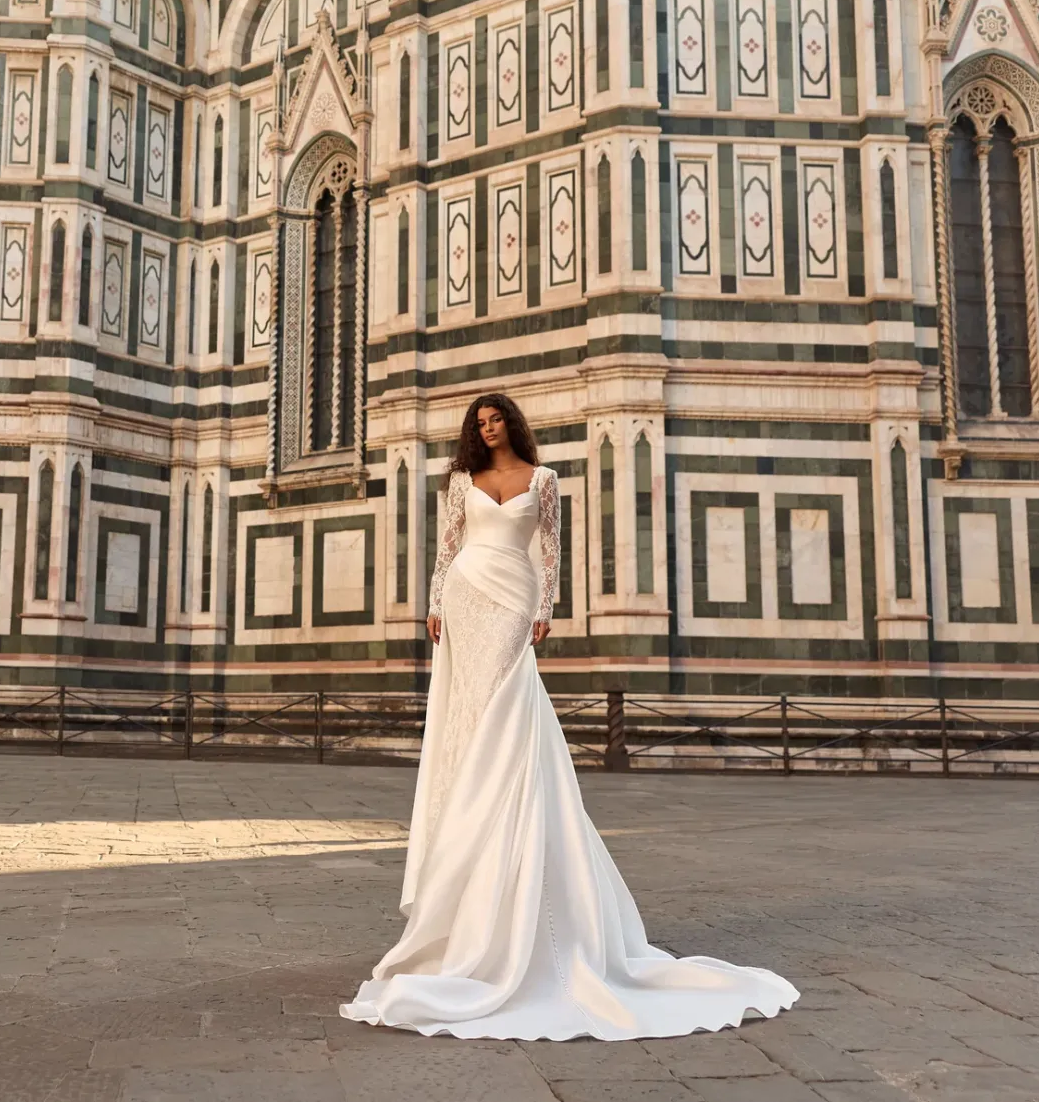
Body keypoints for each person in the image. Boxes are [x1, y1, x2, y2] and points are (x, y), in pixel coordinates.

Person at [341, 393, 797, 1040]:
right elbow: (449, 545)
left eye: (495, 420)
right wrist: (435, 601)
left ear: (511, 424)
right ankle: (473, 816)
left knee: (508, 699)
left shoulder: (544, 479)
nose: (487, 428)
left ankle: (503, 813)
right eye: (479, 423)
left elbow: (551, 548)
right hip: (467, 590)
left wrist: (544, 607)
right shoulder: (463, 479)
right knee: (473, 711)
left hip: (513, 595)